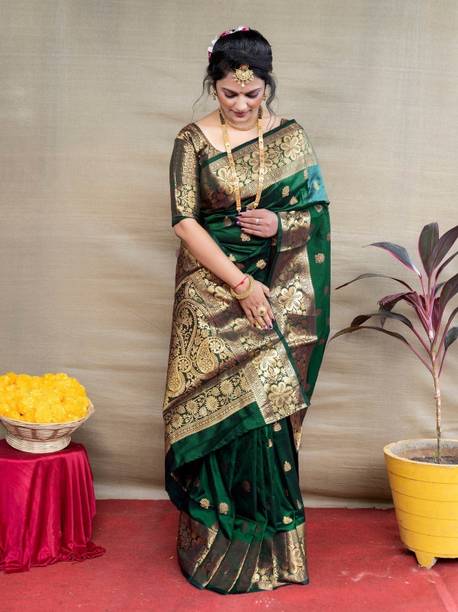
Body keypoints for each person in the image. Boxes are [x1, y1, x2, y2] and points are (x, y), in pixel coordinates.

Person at [162, 26, 331, 594]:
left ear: (267, 86)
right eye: (228, 93)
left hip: (276, 290)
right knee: (219, 420)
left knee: (266, 412)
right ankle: (215, 550)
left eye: (252, 94)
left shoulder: (291, 137)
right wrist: (239, 284)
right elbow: (184, 221)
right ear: (213, 85)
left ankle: (272, 555)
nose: (240, 104)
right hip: (210, 291)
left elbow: (317, 216)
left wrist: (281, 223)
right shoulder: (192, 141)